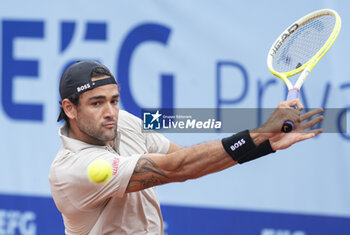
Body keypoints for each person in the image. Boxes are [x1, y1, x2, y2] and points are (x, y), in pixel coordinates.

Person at [49, 60, 323, 235]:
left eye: (114, 100)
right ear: (69, 108)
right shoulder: (74, 170)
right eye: (97, 103)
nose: (110, 112)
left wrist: (265, 142)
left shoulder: (123, 122)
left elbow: (185, 158)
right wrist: (258, 132)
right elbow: (179, 168)